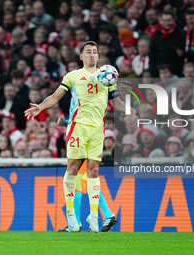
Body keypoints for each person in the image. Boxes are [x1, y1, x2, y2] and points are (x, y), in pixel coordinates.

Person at [25, 41, 119, 232]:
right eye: (88, 52)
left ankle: (94, 218)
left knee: (93, 171)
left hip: (97, 129)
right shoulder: (73, 76)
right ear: (81, 56)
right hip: (77, 127)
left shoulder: (107, 76)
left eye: (95, 52)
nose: (92, 55)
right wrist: (41, 106)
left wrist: (129, 111)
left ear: (98, 56)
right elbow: (55, 96)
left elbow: (116, 99)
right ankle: (72, 218)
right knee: (73, 170)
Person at [58, 161, 118, 232]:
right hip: (87, 155)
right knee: (87, 183)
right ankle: (107, 215)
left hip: (84, 155)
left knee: (79, 184)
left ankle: (77, 223)